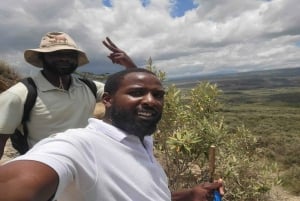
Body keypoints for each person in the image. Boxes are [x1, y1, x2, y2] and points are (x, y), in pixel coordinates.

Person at [0, 68, 223, 201]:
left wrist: (189, 195)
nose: (150, 100)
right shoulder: (78, 145)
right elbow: (20, 182)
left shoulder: (141, 139)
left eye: (158, 95)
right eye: (136, 93)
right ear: (107, 100)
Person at [0, 31, 137, 159]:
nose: (64, 58)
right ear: (42, 58)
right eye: (56, 53)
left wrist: (129, 65)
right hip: (45, 173)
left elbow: (132, 91)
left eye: (70, 54)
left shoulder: (89, 87)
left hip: (87, 164)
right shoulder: (19, 95)